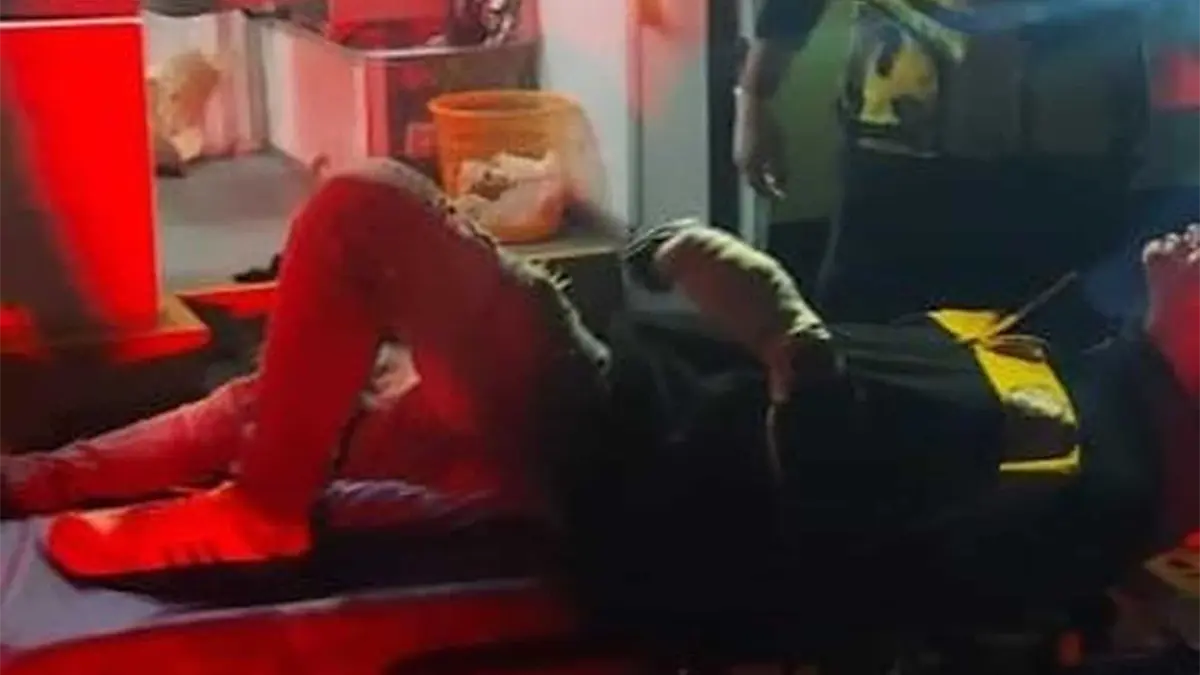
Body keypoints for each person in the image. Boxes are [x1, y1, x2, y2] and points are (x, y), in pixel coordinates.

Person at [737, 0, 1146, 336]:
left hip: (1063, 156)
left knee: (1066, 352)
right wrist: (754, 97)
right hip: (905, 156)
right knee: (868, 344)